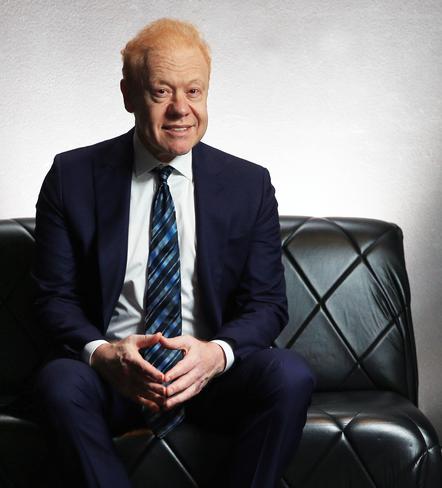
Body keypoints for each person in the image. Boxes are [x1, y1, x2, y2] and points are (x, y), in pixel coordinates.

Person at [32, 18, 315, 488]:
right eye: (161, 92)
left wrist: (215, 355)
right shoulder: (72, 176)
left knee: (289, 374)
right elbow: (52, 299)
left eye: (194, 91)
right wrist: (104, 355)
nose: (181, 110)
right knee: (59, 382)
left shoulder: (250, 184)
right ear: (128, 95)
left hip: (210, 379)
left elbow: (266, 304)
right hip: (115, 377)